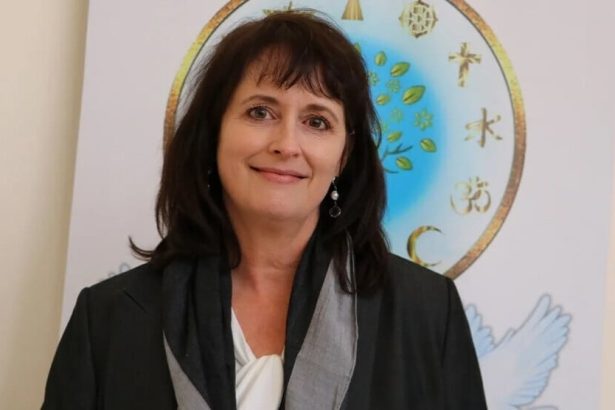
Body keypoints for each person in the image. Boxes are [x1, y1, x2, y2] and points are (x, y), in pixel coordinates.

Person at [43, 10, 487, 410]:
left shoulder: (427, 312)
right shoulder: (108, 319)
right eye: (260, 112)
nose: (286, 144)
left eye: (316, 121)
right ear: (213, 133)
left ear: (344, 156)